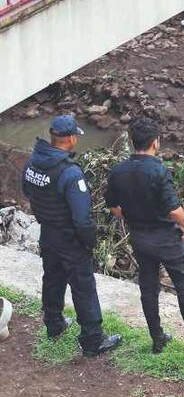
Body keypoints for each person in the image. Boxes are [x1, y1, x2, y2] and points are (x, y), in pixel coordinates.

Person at [105, 117, 184, 354]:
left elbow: (114, 208)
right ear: (155, 143)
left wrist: (132, 217)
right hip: (166, 240)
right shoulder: (158, 171)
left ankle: (157, 338)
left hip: (140, 237)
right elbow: (174, 210)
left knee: (148, 288)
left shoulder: (118, 171)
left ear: (131, 142)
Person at [21, 115, 121, 357]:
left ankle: (54, 325)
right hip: (69, 239)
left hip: (48, 234)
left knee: (53, 278)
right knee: (83, 286)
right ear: (71, 139)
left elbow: (27, 192)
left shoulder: (33, 162)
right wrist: (89, 242)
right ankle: (92, 340)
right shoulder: (70, 173)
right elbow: (82, 218)